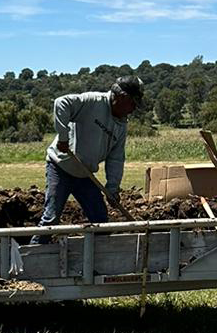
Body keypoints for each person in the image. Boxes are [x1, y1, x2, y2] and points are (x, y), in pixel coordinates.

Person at [33, 75, 144, 235]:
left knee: (100, 220)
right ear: (122, 97)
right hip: (60, 168)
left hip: (85, 175)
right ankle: (31, 258)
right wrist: (63, 137)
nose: (133, 109)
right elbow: (61, 103)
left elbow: (116, 158)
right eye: (133, 103)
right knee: (51, 219)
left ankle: (102, 257)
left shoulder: (121, 124)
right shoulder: (93, 102)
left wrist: (112, 188)